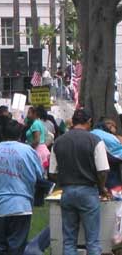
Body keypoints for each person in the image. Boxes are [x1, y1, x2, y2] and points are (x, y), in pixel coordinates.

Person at [0, 121, 43, 254]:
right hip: (21, 206)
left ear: (2, 134)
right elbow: (39, 175)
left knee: (0, 247)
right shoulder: (29, 151)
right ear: (20, 134)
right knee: (16, 248)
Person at [49, 109, 110, 255]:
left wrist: (64, 181)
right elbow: (103, 170)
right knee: (92, 241)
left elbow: (52, 173)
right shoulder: (95, 141)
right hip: (89, 191)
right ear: (89, 122)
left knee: (69, 240)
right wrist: (102, 187)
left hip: (68, 192)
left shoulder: (58, 142)